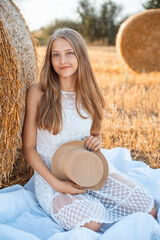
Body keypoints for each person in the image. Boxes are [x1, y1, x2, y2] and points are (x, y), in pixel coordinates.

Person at [22, 28, 157, 232]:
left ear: (80, 55)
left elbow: (94, 132)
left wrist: (97, 140)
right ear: (50, 59)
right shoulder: (39, 92)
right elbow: (29, 148)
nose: (62, 60)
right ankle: (84, 202)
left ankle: (95, 196)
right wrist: (57, 185)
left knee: (147, 208)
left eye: (69, 53)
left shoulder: (90, 94)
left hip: (87, 167)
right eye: (55, 55)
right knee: (92, 223)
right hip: (52, 175)